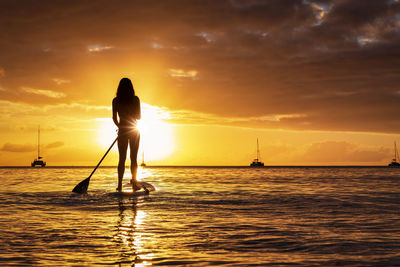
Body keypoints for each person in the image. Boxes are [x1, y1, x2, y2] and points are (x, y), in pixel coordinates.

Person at [112, 78, 141, 192]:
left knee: (122, 159)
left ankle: (119, 185)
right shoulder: (135, 99)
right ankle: (134, 184)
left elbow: (114, 118)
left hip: (123, 131)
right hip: (134, 130)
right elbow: (139, 117)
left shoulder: (116, 100)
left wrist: (120, 127)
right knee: (133, 159)